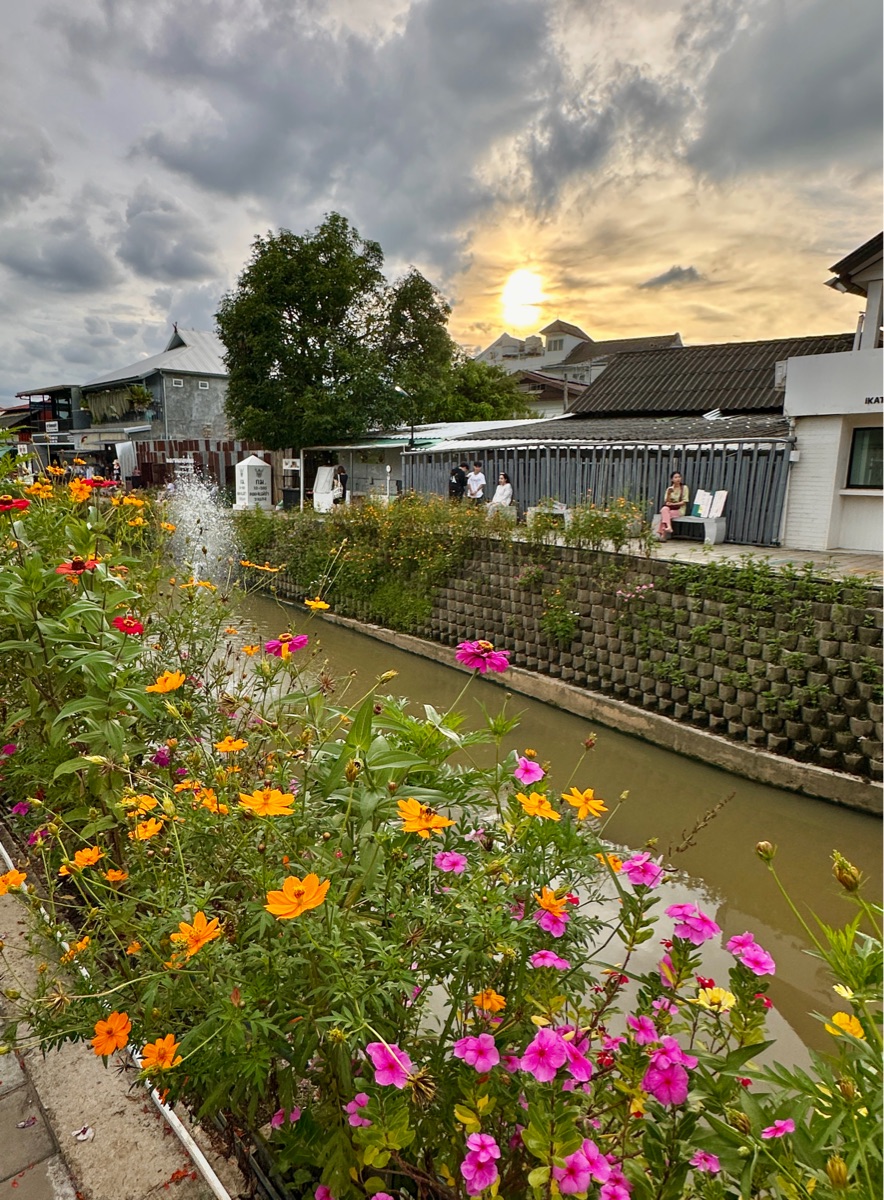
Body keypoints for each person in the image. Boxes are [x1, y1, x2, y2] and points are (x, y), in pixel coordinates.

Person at [656, 471, 690, 539]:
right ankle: (669, 527)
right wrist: (668, 494)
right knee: (664, 509)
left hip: (679, 509)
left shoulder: (684, 488)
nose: (678, 479)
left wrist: (674, 503)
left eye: (679, 477)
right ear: (672, 479)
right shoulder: (669, 489)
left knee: (665, 515)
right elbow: (667, 502)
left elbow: (684, 501)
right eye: (676, 477)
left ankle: (662, 535)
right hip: (670, 508)